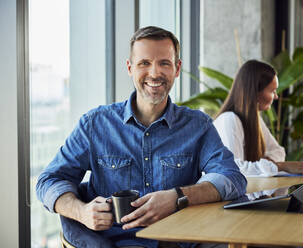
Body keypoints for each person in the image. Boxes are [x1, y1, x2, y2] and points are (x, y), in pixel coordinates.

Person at [36, 26, 247, 248]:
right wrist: (82, 212)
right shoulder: (95, 124)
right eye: (144, 63)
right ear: (130, 68)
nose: (154, 73)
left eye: (164, 63)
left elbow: (232, 178)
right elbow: (49, 181)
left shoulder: (198, 125)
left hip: (177, 242)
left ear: (177, 68)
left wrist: (178, 197)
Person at [213, 60, 303, 177]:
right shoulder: (229, 120)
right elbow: (234, 168)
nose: (276, 96)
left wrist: (263, 164)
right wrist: (280, 166)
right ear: (255, 92)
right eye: (272, 91)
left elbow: (278, 151)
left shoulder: (254, 119)